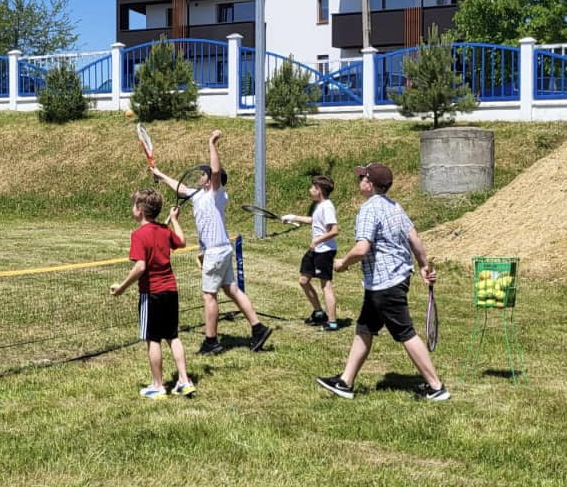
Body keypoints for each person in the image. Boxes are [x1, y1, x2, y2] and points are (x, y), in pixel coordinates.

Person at [316, 163, 450, 401]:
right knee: (364, 328)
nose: (359, 182)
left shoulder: (369, 209)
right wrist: (423, 266)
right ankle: (345, 382)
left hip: (385, 283)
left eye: (362, 178)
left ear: (369, 184)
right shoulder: (395, 206)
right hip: (392, 279)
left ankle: (436, 386)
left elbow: (362, 248)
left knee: (405, 332)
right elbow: (414, 239)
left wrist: (343, 263)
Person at [152, 130, 273, 355]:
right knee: (232, 290)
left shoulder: (216, 194)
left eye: (203, 175)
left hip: (217, 252)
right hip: (220, 250)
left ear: (210, 181)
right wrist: (160, 175)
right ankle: (258, 328)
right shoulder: (198, 194)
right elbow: (179, 188)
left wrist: (212, 143)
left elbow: (216, 170)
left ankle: (211, 342)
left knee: (209, 296)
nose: (200, 176)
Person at [109, 188, 195, 399]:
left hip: (152, 294)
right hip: (170, 291)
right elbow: (182, 242)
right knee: (173, 336)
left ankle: (158, 385)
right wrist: (174, 220)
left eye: (134, 205)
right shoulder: (164, 230)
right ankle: (184, 381)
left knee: (152, 339)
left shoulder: (138, 235)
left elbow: (140, 267)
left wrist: (121, 288)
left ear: (139, 210)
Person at [281, 175, 340, 331]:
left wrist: (317, 240)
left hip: (325, 251)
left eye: (313, 187)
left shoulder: (327, 206)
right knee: (303, 280)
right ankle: (319, 313)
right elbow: (314, 221)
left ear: (319, 190)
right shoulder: (320, 206)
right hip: (316, 249)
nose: (310, 190)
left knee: (326, 285)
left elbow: (334, 231)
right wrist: (293, 217)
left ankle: (332, 322)